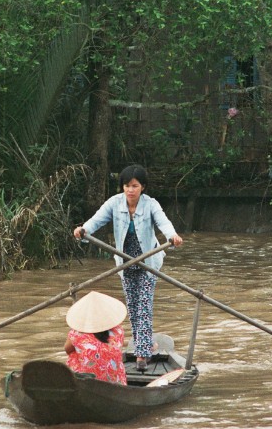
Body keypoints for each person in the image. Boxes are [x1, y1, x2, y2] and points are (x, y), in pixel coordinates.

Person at [73, 164, 184, 371]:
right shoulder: (114, 203)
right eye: (126, 186)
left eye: (134, 186)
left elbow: (164, 223)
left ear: (143, 187)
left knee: (144, 305)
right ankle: (147, 342)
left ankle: (142, 355)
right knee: (133, 307)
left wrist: (173, 236)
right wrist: (83, 229)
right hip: (125, 261)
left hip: (148, 260)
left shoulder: (151, 204)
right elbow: (96, 220)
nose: (130, 190)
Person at [64, 291, 128, 385]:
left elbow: (67, 350)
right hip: (117, 383)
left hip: (88, 383)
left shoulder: (76, 334)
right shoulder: (118, 331)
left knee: (73, 355)